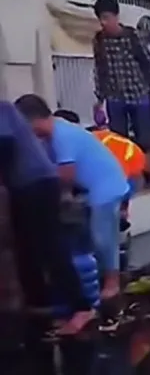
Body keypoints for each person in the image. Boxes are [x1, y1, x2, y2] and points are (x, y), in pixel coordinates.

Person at [16, 94, 129, 300]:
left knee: (103, 238)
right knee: (87, 236)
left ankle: (112, 283)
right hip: (96, 187)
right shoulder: (56, 131)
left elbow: (66, 173)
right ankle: (100, 276)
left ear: (33, 120)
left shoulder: (62, 136)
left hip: (105, 187)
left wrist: (54, 193)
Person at [0, 100, 95, 338]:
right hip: (22, 186)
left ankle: (81, 308)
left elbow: (5, 149)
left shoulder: (2, 110)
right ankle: (38, 305)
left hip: (36, 184)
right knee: (26, 248)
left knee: (50, 247)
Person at [92, 0, 150, 186]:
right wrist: (100, 98)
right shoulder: (99, 40)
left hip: (139, 94)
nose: (103, 22)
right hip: (115, 97)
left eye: (107, 17)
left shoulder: (133, 37)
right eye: (100, 18)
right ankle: (124, 176)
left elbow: (148, 64)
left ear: (116, 16)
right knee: (119, 139)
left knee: (145, 139)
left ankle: (148, 176)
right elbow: (100, 69)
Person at [53, 109, 145, 232]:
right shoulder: (91, 138)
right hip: (128, 176)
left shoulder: (72, 144)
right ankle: (119, 215)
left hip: (119, 179)